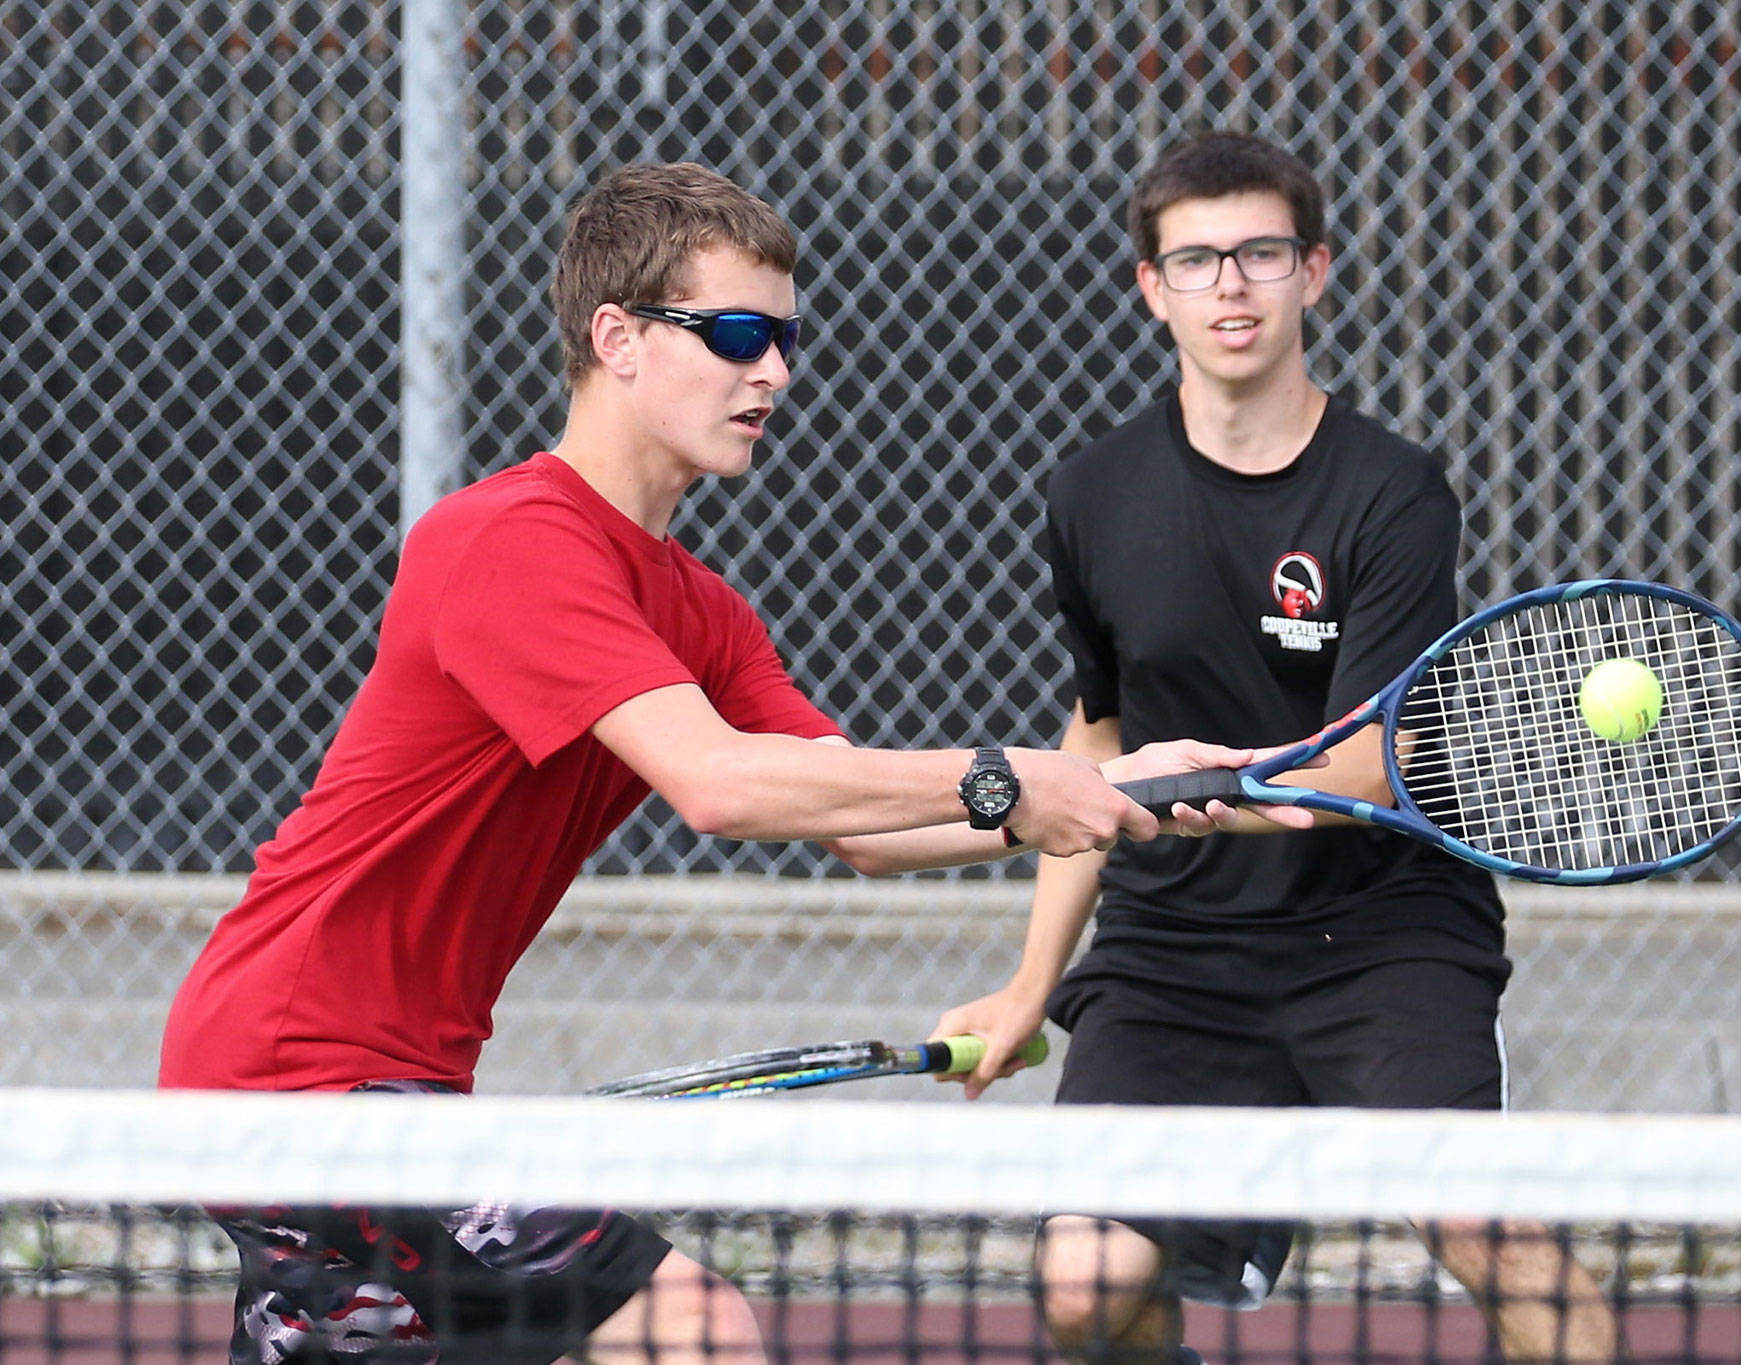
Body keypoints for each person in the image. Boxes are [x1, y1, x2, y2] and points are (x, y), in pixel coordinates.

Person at [157, 161, 1306, 1365]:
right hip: (297, 1078)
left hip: (372, 1088)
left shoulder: (700, 611)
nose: (775, 372)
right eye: (738, 334)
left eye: (785, 338)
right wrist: (1012, 775)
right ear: (618, 338)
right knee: (689, 1329)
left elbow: (864, 826)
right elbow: (718, 784)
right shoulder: (508, 541)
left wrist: (1127, 792)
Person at [931, 133, 1619, 1363]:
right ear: (1151, 287)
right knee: (1085, 1281)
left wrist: (1159, 789)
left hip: (1382, 931)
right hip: (1173, 949)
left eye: (1257, 254)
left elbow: (1354, 768)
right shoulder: (1091, 493)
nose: (1229, 288)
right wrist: (1034, 977)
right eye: (1194, 260)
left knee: (1497, 1237)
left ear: (1313, 271)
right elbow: (1095, 732)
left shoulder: (1393, 492)